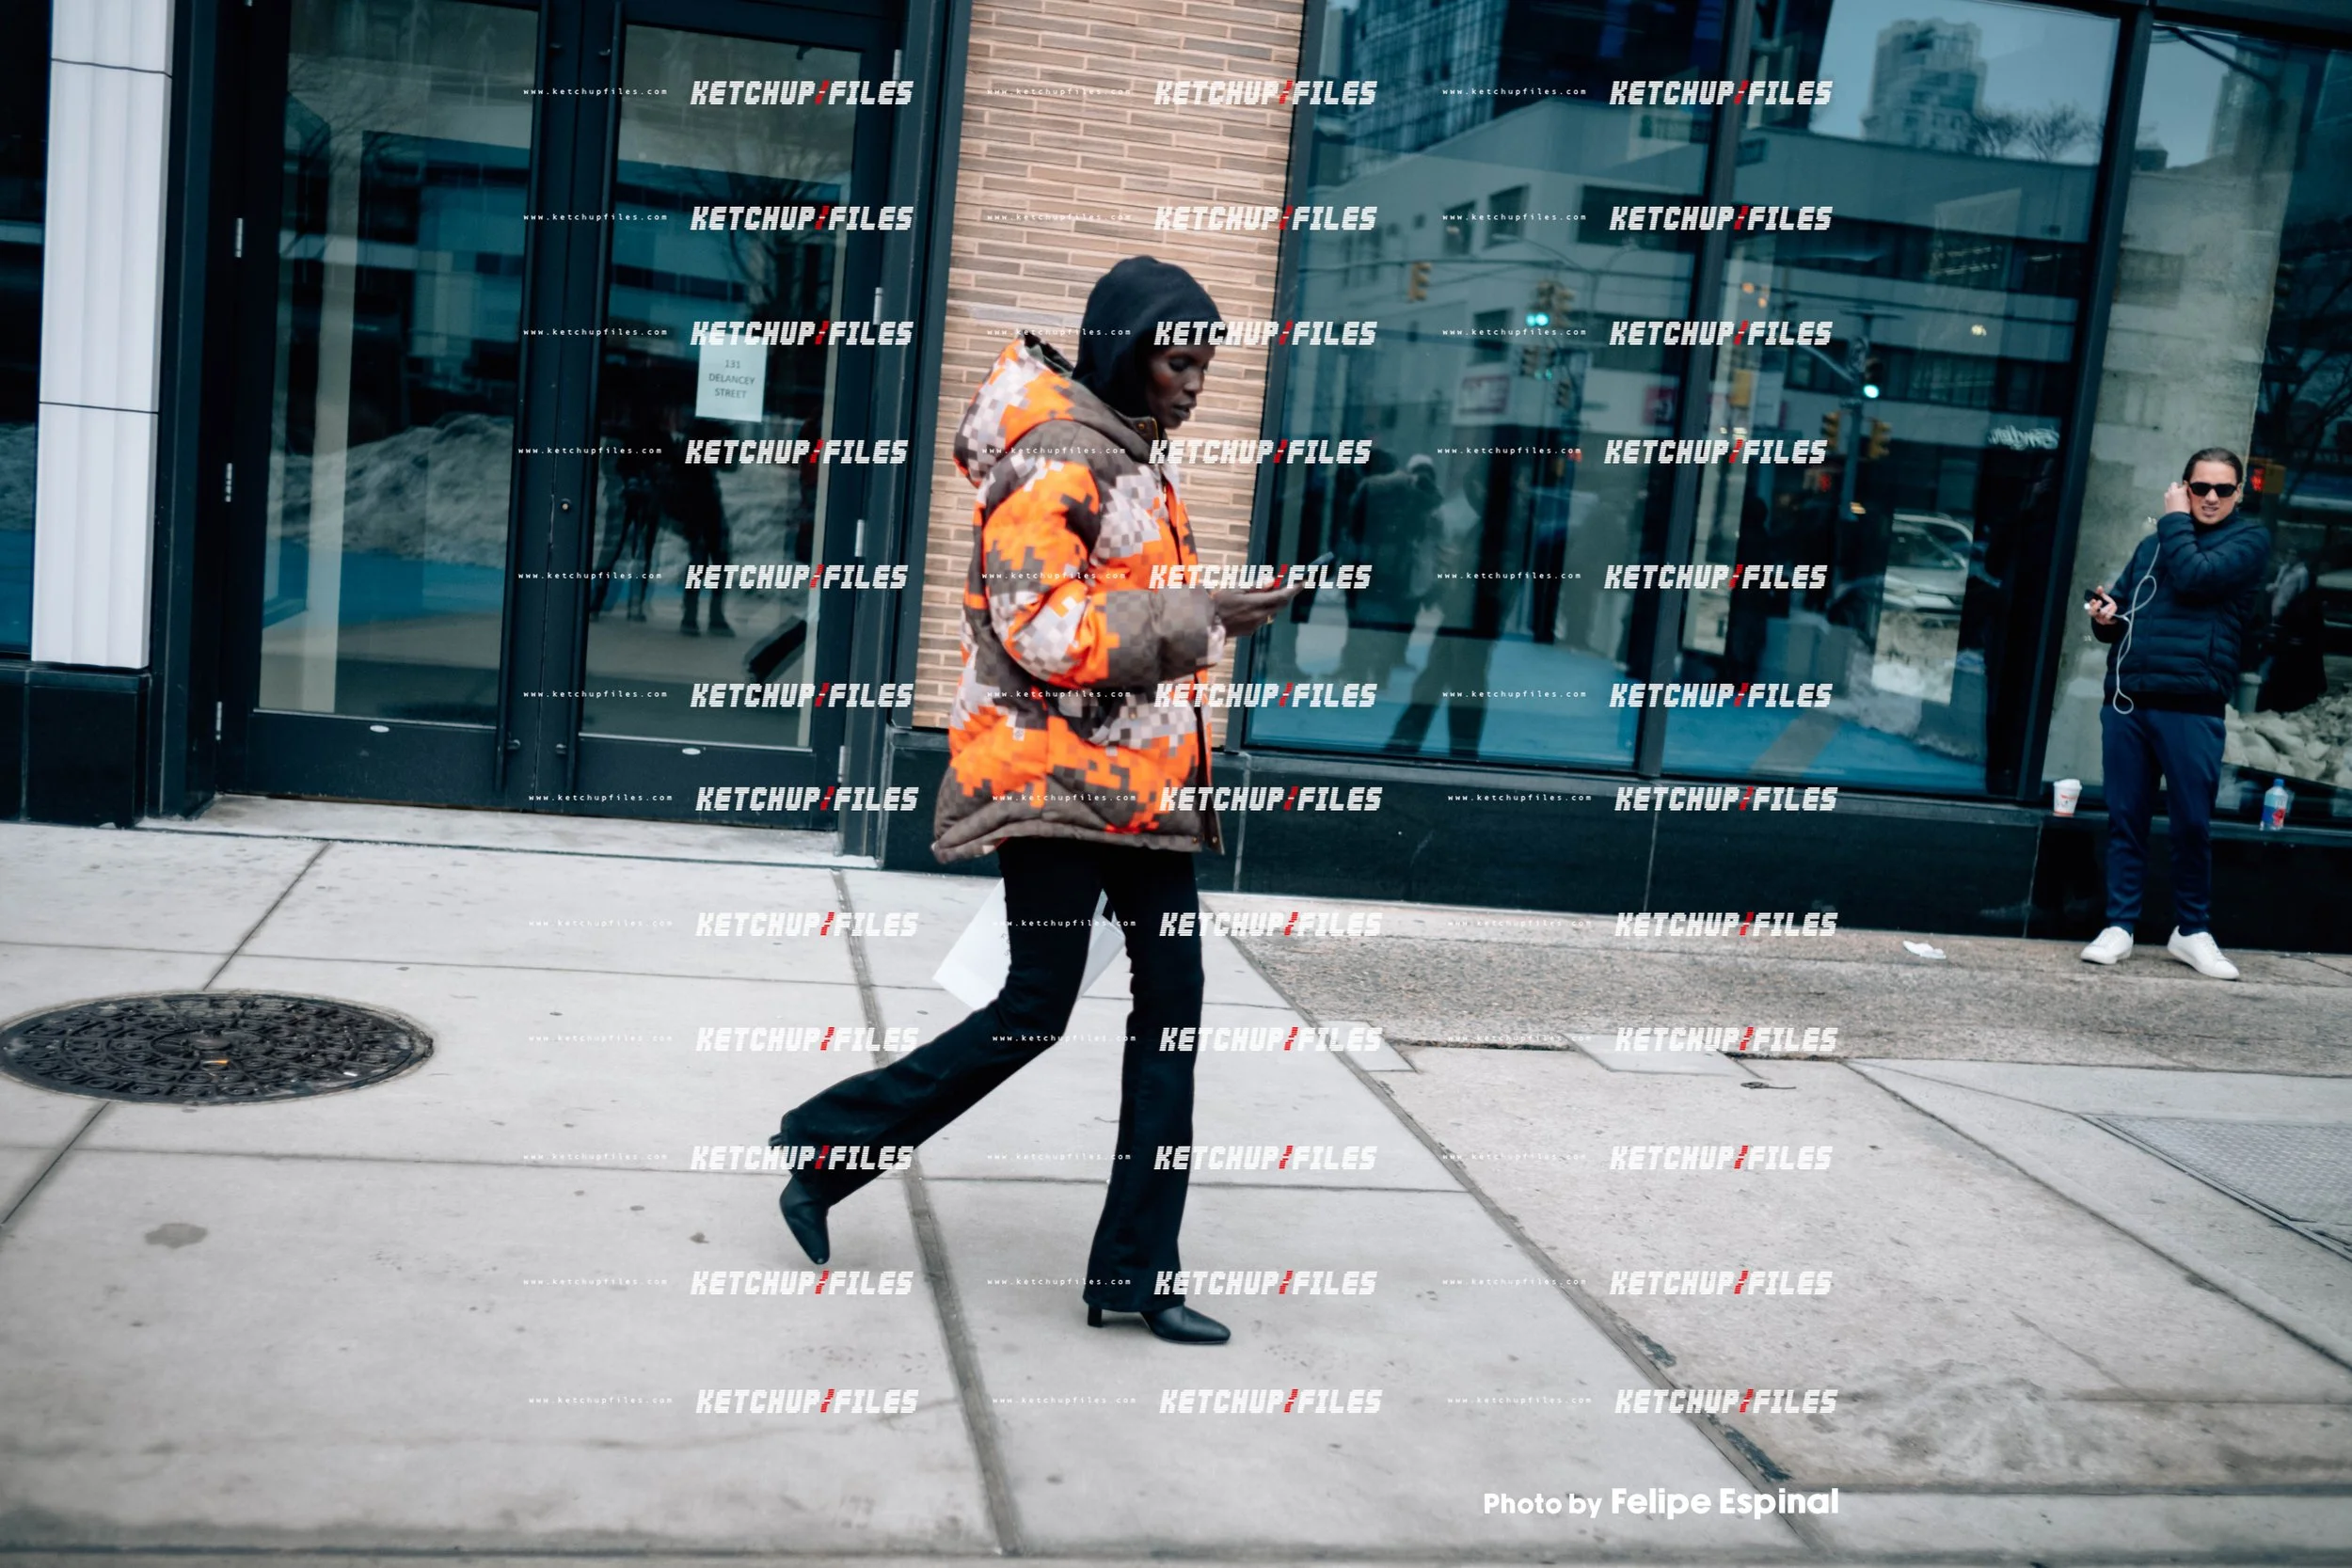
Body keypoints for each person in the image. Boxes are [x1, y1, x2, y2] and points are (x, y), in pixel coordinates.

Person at [765, 257, 1296, 1345]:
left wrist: (1202, 613)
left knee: (1173, 1007)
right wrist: (1205, 616)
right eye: (1175, 359)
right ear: (1123, 349)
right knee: (1035, 1007)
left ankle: (1136, 1273)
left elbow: (1117, 608)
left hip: (1137, 791)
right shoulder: (1056, 455)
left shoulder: (1128, 456)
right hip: (1053, 781)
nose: (1193, 384)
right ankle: (825, 1145)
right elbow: (1042, 631)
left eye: (1204, 365)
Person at [2080, 448, 2272, 979]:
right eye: (2200, 487)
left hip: (2192, 707)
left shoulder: (2248, 542)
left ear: (2239, 495)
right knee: (2126, 819)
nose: (2211, 498)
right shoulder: (2153, 546)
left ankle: (2191, 930)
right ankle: (2119, 925)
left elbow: (2194, 577)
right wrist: (2106, 616)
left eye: (2223, 490)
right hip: (2129, 702)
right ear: (2185, 486)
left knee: (2191, 823)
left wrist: (2172, 520)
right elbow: (2121, 613)